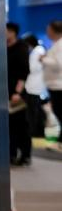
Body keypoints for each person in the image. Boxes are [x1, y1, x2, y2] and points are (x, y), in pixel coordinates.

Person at [6, 22, 32, 166]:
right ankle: (11, 153)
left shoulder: (21, 47)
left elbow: (24, 72)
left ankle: (25, 155)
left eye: (6, 31)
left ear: (12, 32)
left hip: (17, 92)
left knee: (20, 124)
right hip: (5, 90)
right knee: (9, 125)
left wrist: (18, 92)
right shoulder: (3, 47)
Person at [25, 33, 48, 140]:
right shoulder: (37, 50)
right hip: (34, 84)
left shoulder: (38, 51)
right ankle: (37, 131)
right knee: (35, 109)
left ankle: (36, 131)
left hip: (35, 85)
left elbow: (34, 68)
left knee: (34, 110)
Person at [44, 20, 62, 152]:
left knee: (60, 113)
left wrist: (43, 59)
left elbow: (58, 64)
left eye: (48, 30)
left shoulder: (60, 45)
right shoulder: (56, 44)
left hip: (59, 85)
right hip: (55, 85)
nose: (47, 32)